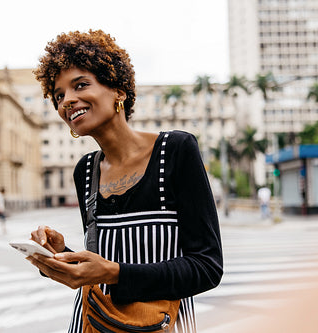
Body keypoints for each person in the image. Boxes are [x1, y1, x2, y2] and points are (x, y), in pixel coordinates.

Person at [27, 30, 223, 332]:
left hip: (158, 325)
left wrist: (115, 273)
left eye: (80, 85)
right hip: (92, 324)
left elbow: (207, 268)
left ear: (119, 90)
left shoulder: (176, 151)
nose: (68, 101)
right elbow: (98, 267)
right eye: (59, 96)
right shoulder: (86, 170)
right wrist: (61, 256)